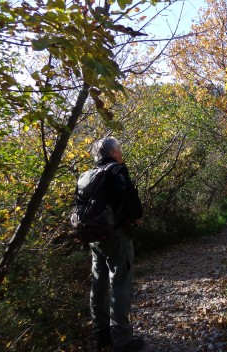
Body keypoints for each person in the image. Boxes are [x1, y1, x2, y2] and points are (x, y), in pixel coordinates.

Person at [87, 137, 144, 352]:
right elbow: (128, 195)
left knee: (98, 284)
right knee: (120, 283)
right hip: (116, 235)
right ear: (112, 153)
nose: (121, 153)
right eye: (119, 149)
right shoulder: (116, 170)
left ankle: (101, 336)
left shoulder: (89, 175)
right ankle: (122, 340)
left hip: (95, 237)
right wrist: (137, 215)